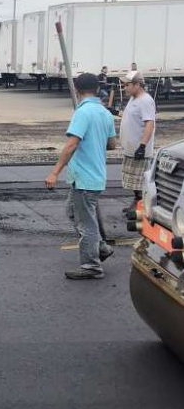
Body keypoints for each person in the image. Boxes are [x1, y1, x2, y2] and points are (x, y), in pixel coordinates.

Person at [45, 73, 117, 280]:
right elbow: (112, 144)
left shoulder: (83, 112)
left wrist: (55, 172)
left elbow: (72, 144)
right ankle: (101, 247)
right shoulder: (104, 113)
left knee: (87, 224)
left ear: (77, 89)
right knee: (71, 211)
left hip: (85, 177)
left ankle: (92, 266)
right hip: (94, 175)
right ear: (96, 89)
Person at [119, 70, 156, 217]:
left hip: (139, 149)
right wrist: (115, 112)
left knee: (140, 181)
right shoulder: (134, 99)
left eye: (127, 85)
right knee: (133, 181)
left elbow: (149, 124)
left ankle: (141, 208)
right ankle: (136, 202)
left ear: (137, 84)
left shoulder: (145, 100)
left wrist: (142, 146)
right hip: (130, 148)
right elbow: (132, 117)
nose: (124, 88)